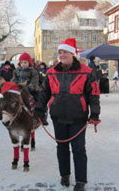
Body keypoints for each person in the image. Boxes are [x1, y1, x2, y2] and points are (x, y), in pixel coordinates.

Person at [34, 38, 101, 191]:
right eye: (60, 52)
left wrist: (95, 114)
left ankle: (81, 181)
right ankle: (64, 175)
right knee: (62, 147)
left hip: (78, 117)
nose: (62, 55)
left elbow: (94, 95)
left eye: (65, 52)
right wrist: (39, 109)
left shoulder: (86, 71)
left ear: (72, 53)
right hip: (58, 116)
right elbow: (44, 93)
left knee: (78, 149)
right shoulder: (51, 72)